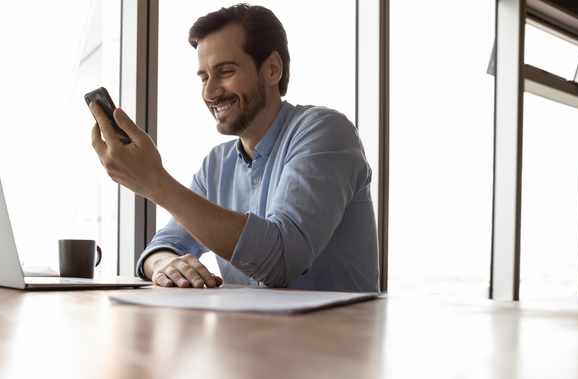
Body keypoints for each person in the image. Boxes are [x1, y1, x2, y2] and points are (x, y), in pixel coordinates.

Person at [90, 3, 379, 292]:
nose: (209, 92)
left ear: (272, 69)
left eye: (225, 72)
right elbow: (164, 246)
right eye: (204, 77)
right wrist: (165, 263)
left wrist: (155, 182)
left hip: (334, 335)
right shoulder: (216, 165)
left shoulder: (325, 132)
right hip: (250, 334)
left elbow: (282, 260)